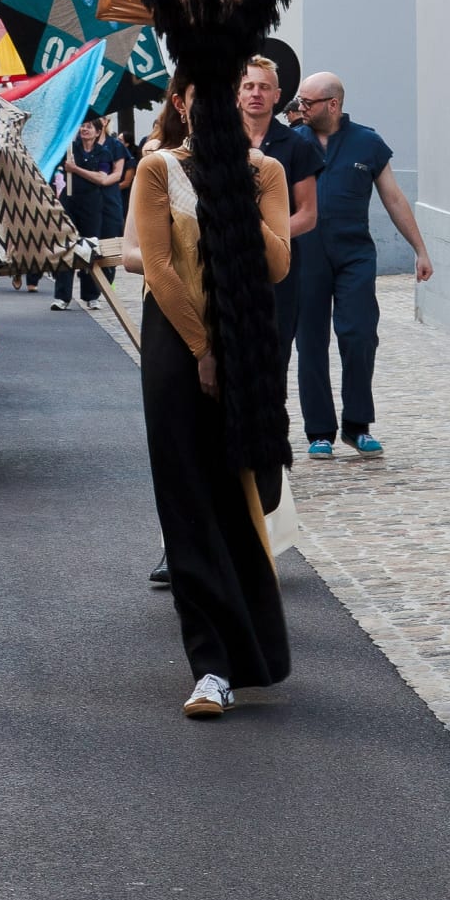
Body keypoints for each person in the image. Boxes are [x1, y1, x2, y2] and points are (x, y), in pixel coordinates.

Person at [133, 78, 292, 716]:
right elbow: (158, 265)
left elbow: (277, 262)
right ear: (181, 104)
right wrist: (201, 349)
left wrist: (234, 194)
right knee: (187, 497)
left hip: (247, 342)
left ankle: (254, 645)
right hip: (177, 343)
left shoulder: (267, 170)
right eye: (202, 91)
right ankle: (211, 666)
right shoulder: (156, 168)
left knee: (244, 491)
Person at [292, 72, 433, 459]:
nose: (300, 108)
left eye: (308, 103)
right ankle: (319, 431)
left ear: (333, 105)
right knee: (311, 343)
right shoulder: (290, 143)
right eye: (299, 102)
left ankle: (357, 426)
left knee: (358, 335)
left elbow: (394, 199)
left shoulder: (367, 143)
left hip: (354, 254)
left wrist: (419, 249)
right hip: (306, 255)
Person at [237, 56, 321, 378]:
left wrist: (262, 238)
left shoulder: (296, 147)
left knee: (273, 358)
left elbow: (308, 215)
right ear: (238, 94)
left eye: (264, 87)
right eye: (249, 86)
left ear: (277, 95)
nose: (256, 93)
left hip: (279, 270)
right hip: (227, 266)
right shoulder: (218, 143)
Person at [51, 115, 124, 311]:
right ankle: (62, 296)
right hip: (70, 201)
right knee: (66, 247)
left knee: (91, 247)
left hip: (93, 205)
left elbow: (101, 178)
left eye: (90, 127)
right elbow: (59, 167)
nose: (85, 129)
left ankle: (91, 295)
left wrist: (76, 169)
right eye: (82, 126)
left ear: (98, 132)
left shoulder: (104, 152)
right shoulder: (70, 149)